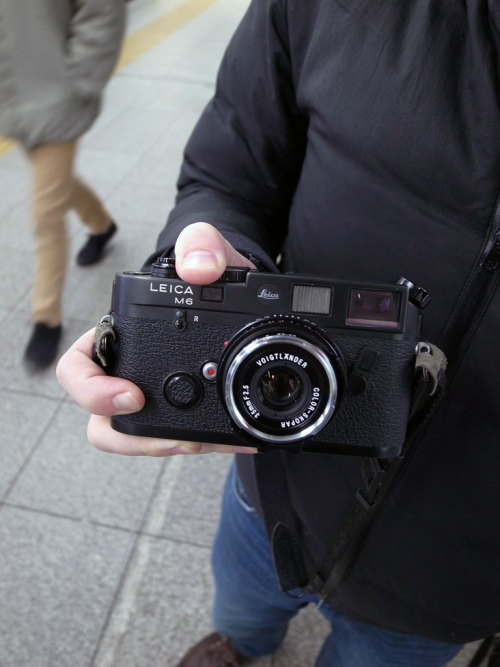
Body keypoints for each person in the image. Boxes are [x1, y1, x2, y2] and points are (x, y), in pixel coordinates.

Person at [57, 1, 500, 665]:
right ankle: (240, 644)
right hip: (274, 485)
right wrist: (197, 275)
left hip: (462, 568)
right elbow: (227, 173)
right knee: (239, 605)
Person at [0, 0, 125, 369]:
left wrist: (77, 83)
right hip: (13, 100)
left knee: (45, 213)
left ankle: (46, 316)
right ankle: (102, 224)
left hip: (55, 99)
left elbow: (103, 10)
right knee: (54, 185)